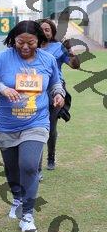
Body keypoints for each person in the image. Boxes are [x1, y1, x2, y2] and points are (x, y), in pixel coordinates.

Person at [0, 20, 65, 232]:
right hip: (7, 124)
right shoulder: (2, 58)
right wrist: (2, 88)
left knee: (29, 165)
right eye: (20, 42)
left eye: (30, 43)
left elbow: (55, 81)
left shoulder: (47, 59)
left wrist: (58, 93)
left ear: (39, 40)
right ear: (13, 40)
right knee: (12, 169)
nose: (25, 47)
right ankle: (17, 196)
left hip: (36, 121)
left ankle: (27, 215)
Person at [38, 18, 80, 171]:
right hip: (35, 90)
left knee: (50, 125)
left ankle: (51, 157)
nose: (44, 32)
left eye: (47, 29)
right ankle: (36, 164)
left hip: (55, 91)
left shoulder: (58, 47)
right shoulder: (31, 46)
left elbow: (74, 65)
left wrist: (70, 50)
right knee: (35, 127)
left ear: (52, 32)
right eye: (41, 29)